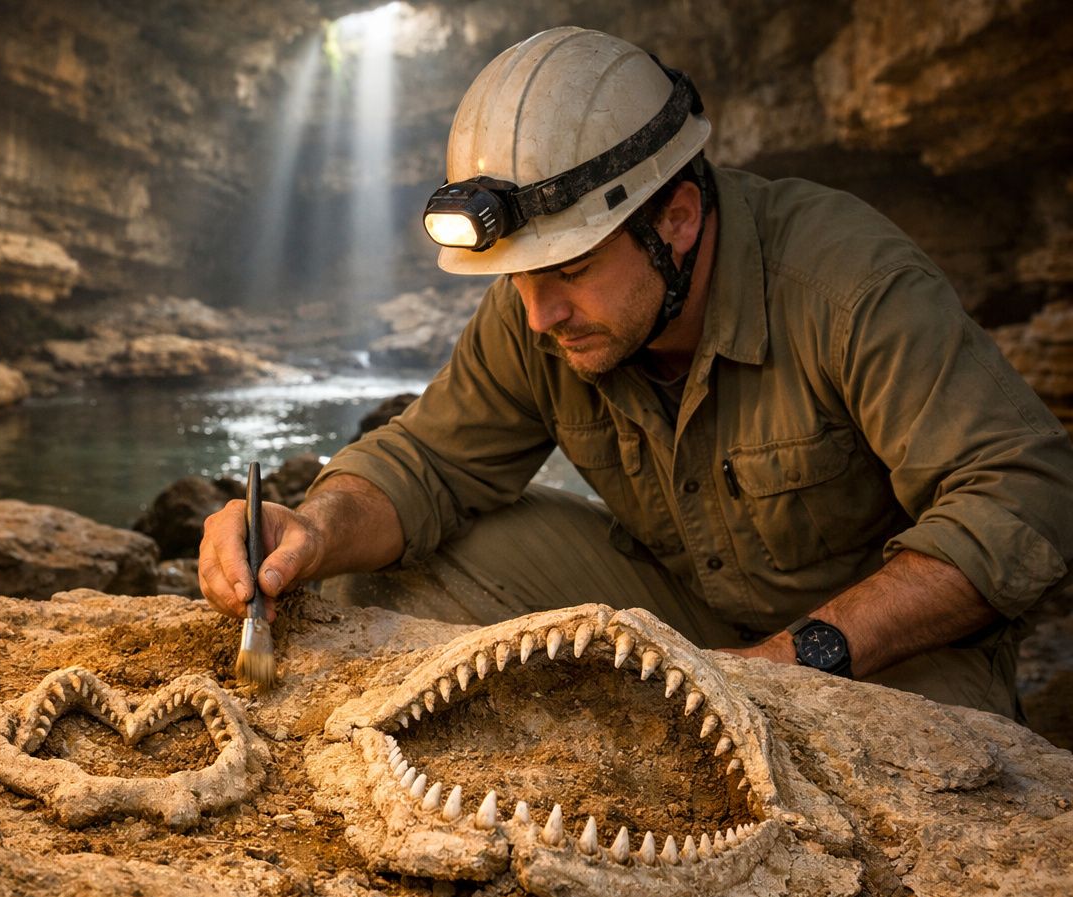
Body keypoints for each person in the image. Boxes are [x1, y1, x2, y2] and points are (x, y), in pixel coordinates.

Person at [199, 27, 1073, 718]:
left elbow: (1023, 494)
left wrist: (793, 662)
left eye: (570, 271)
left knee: (875, 781)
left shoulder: (848, 285)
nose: (539, 315)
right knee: (376, 569)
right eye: (519, 278)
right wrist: (310, 526)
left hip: (879, 654)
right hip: (693, 617)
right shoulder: (537, 313)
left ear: (678, 219)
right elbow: (428, 464)